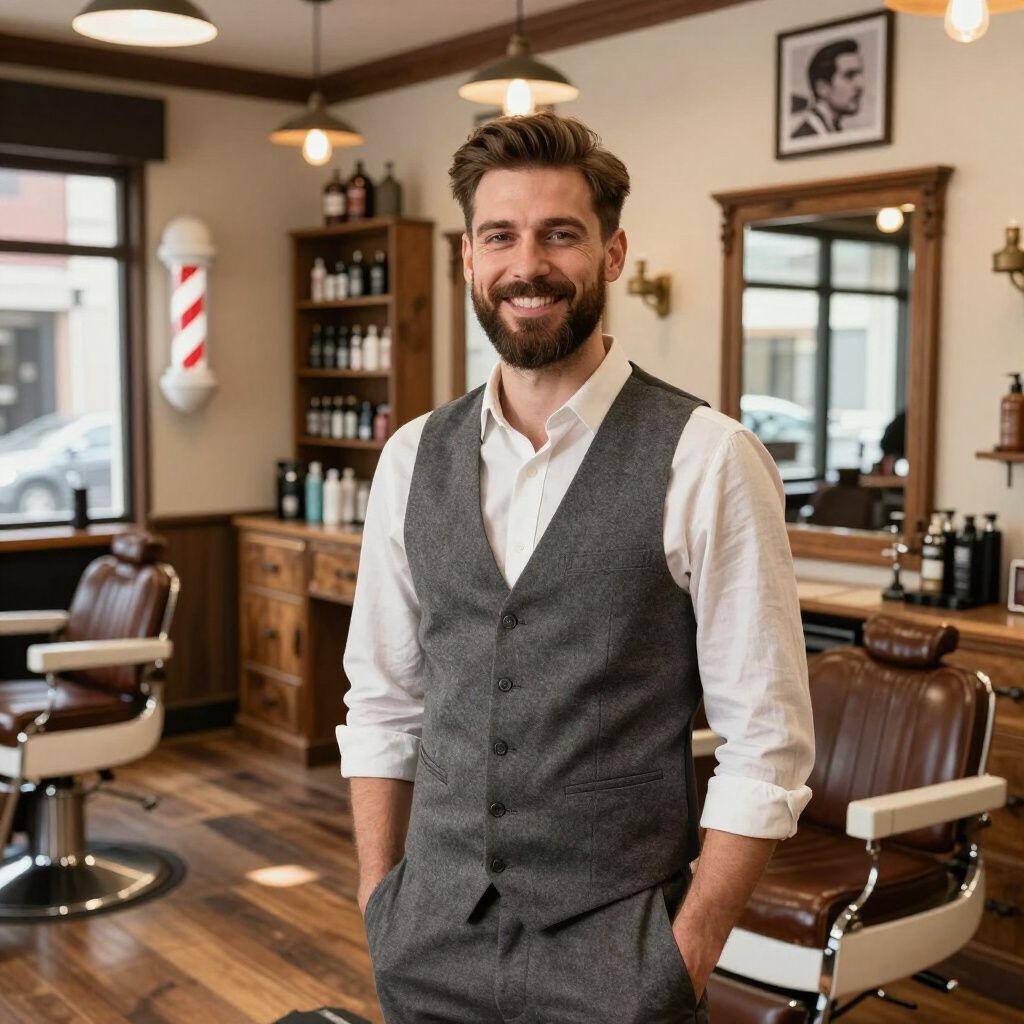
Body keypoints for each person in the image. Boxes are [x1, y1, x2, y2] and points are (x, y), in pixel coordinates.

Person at [336, 112, 815, 1024]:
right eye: (500, 236)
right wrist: (379, 899)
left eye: (561, 233)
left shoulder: (708, 458)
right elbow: (384, 703)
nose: (528, 265)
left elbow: (767, 741)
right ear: (467, 260)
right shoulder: (409, 458)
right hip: (427, 940)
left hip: (620, 952)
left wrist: (689, 949)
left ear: (613, 253)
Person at [791, 38, 864, 138]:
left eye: (859, 76)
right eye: (849, 76)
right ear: (822, 88)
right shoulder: (806, 135)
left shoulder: (831, 130)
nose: (860, 85)